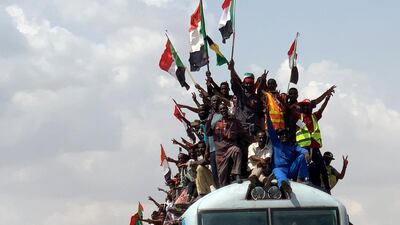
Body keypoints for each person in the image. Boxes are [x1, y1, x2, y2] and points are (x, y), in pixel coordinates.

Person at [296, 95, 333, 193]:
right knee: (303, 166)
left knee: (322, 168)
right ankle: (300, 183)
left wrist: (326, 100)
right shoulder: (300, 117)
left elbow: (321, 109)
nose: (306, 108)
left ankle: (327, 188)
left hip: (315, 147)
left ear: (310, 107)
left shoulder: (314, 116)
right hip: (304, 148)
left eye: (308, 106)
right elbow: (297, 129)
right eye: (304, 106)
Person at [266, 113, 310, 195]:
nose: (284, 135)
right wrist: (267, 115)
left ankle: (301, 178)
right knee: (277, 171)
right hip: (280, 169)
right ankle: (284, 184)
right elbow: (270, 129)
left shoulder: (292, 146)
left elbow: (300, 149)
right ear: (279, 136)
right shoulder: (276, 143)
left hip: (290, 169)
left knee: (301, 157)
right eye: (282, 134)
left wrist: (306, 152)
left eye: (286, 134)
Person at [208, 104, 244, 186]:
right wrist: (209, 121)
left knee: (237, 150)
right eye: (221, 109)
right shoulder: (217, 123)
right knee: (222, 175)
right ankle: (222, 187)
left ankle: (237, 174)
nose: (223, 110)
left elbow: (242, 133)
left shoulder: (233, 121)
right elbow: (208, 133)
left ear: (227, 109)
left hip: (230, 147)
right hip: (220, 152)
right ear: (219, 111)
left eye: (224, 108)